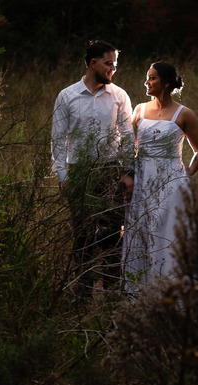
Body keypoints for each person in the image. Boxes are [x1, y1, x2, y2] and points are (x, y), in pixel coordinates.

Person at [51, 40, 136, 298]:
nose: (113, 69)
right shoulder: (67, 96)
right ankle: (84, 290)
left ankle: (111, 291)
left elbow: (127, 136)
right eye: (109, 64)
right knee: (83, 233)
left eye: (115, 65)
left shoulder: (119, 95)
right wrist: (63, 175)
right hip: (80, 171)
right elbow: (58, 139)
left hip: (111, 171)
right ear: (93, 63)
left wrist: (128, 172)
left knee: (113, 232)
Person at [121, 61, 198, 291]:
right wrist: (127, 174)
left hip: (171, 182)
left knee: (166, 232)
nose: (147, 82)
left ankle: (168, 291)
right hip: (142, 180)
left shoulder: (184, 114)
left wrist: (185, 176)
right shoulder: (139, 110)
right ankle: (138, 292)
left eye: (152, 78)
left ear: (166, 83)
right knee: (140, 230)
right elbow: (129, 146)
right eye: (147, 77)